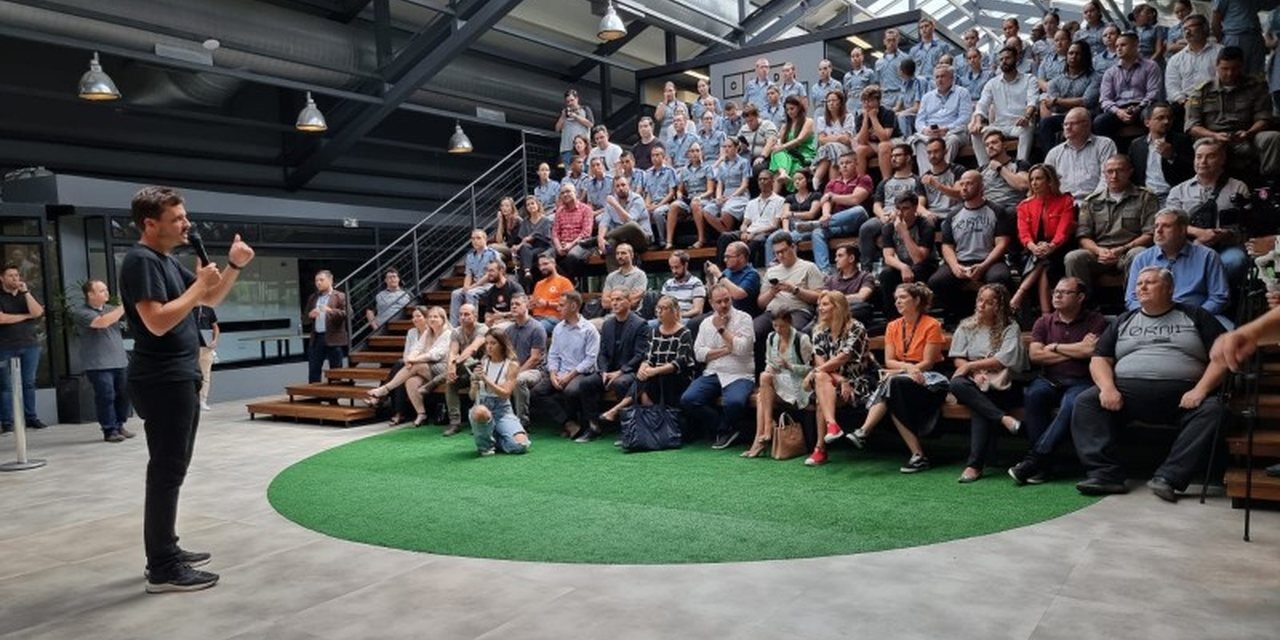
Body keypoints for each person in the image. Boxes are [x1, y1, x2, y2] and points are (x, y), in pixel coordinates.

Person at [120, 186, 255, 592]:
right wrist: (196, 287)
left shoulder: (162, 259)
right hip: (162, 380)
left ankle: (166, 548)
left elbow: (209, 297)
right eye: (177, 218)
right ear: (151, 223)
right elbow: (157, 321)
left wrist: (233, 265)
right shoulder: (141, 260)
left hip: (177, 376)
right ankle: (162, 567)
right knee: (166, 470)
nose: (186, 224)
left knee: (171, 469)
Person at [1072, 266, 1228, 501]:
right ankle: (1105, 475)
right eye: (1139, 283)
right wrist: (1107, 388)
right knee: (1086, 401)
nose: (1142, 287)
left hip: (1184, 396)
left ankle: (1169, 477)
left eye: (1150, 283)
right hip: (1127, 394)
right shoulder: (1124, 320)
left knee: (1215, 410)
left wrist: (1200, 390)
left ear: (1169, 288)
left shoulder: (1196, 315)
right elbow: (1100, 359)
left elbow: (1222, 357)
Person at [1011, 277, 1109, 485]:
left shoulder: (1096, 320)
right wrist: (1077, 350)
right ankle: (1042, 465)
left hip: (1082, 380)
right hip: (1049, 378)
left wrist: (1054, 347)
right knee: (1033, 394)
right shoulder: (1043, 321)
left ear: (1080, 297)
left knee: (1072, 404)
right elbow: (1036, 356)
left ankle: (1036, 460)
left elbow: (1091, 351)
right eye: (1056, 291)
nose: (1057, 295)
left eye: (1065, 292)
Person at [848, 283, 949, 473]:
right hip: (902, 375)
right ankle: (918, 455)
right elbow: (889, 360)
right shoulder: (893, 326)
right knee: (893, 389)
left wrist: (908, 370)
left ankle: (864, 430)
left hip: (928, 378)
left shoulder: (932, 325)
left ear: (917, 300)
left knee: (892, 384)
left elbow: (928, 362)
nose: (897, 302)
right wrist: (907, 368)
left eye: (902, 297)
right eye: (896, 298)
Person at [947, 284, 1027, 483]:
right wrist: (974, 373)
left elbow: (1003, 360)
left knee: (981, 402)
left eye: (989, 302)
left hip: (1004, 384)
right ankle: (1004, 419)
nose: (982, 305)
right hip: (976, 381)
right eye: (980, 300)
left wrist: (971, 367)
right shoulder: (967, 325)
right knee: (957, 384)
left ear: (999, 306)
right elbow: (958, 357)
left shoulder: (1010, 327)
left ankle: (974, 465)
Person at [928, 171, 1016, 315]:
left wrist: (983, 266)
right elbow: (947, 246)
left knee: (1000, 278)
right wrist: (955, 266)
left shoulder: (997, 210)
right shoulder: (953, 214)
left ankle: (997, 318)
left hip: (989, 261)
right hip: (961, 260)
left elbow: (1002, 243)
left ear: (981, 186)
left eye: (969, 183)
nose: (964, 187)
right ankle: (963, 314)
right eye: (962, 184)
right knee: (937, 281)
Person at [1165, 138, 1252, 284]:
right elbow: (1170, 223)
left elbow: (1245, 224)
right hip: (1188, 247)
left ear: (1222, 159)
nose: (1203, 161)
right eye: (1198, 156)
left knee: (1236, 260)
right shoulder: (1178, 191)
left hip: (1226, 246)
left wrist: (1222, 234)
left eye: (1210, 156)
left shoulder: (1238, 187)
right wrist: (1199, 233)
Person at [1185, 46, 1280, 179]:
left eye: (1235, 68)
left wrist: (1249, 132)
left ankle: (1269, 182)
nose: (1230, 73)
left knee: (1273, 138)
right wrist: (1215, 135)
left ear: (1241, 67)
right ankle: (1208, 183)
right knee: (1206, 147)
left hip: (1247, 134)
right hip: (1212, 136)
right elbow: (1192, 126)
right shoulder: (1201, 90)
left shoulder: (1256, 86)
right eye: (1225, 69)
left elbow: (1264, 118)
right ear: (1216, 66)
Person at [1066, 155, 1158, 291]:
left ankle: (1134, 303)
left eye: (1119, 171)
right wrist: (1098, 251)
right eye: (1109, 171)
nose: (1114, 176)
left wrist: (1123, 249)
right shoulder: (1091, 201)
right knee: (1073, 257)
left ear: (1129, 172)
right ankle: (1082, 305)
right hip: (1099, 253)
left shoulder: (1145, 198)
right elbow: (1083, 236)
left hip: (1128, 250)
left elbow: (1150, 234)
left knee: (1139, 253)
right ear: (1104, 174)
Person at [684, 283, 755, 449]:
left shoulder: (744, 318)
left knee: (735, 402)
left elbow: (743, 350)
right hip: (713, 372)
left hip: (740, 373)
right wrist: (726, 349)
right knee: (689, 399)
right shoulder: (705, 323)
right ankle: (725, 429)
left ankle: (724, 430)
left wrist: (722, 330)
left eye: (727, 300)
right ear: (711, 302)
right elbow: (699, 354)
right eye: (719, 302)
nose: (723, 305)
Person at [1125, 208, 1230, 319]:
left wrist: (1194, 317)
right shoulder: (1142, 259)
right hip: (1152, 318)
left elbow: (1219, 297)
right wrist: (1149, 315)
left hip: (1197, 316)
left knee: (1227, 331)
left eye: (1166, 226)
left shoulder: (1208, 256)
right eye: (1156, 226)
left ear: (1182, 230)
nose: (1159, 231)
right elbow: (1132, 299)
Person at [807, 292, 872, 466]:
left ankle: (820, 449)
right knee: (821, 378)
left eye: (825, 304)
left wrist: (815, 372)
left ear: (838, 307)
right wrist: (839, 379)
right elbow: (821, 363)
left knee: (821, 389)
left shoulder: (856, 328)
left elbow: (844, 357)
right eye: (819, 304)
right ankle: (832, 425)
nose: (820, 308)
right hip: (834, 381)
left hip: (856, 383)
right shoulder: (819, 331)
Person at [580, 290, 650, 442]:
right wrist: (604, 371)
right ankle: (593, 426)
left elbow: (640, 355)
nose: (615, 303)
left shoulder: (640, 324)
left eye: (619, 299)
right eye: (612, 300)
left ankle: (627, 429)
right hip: (609, 370)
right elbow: (602, 352)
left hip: (630, 370)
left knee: (621, 383)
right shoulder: (607, 324)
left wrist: (620, 371)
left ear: (628, 301)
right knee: (586, 383)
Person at [745, 310, 813, 458]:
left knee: (761, 392)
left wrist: (789, 366)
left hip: (799, 385)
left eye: (781, 326)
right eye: (775, 326)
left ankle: (760, 439)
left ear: (789, 323)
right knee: (764, 381)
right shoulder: (771, 338)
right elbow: (769, 362)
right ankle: (765, 429)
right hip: (778, 382)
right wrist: (771, 368)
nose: (778, 330)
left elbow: (810, 370)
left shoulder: (801, 339)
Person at [367, 306, 451, 426]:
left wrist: (413, 359)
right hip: (426, 368)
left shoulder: (447, 334)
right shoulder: (428, 332)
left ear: (443, 319)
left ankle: (384, 389)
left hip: (443, 369)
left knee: (416, 365)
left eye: (435, 317)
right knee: (411, 381)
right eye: (431, 317)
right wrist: (410, 358)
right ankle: (421, 414)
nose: (432, 319)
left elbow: (435, 355)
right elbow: (417, 348)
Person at [533, 291, 600, 439]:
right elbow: (553, 354)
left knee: (571, 390)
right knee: (537, 392)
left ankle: (581, 425)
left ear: (574, 306)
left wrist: (569, 376)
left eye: (562, 305)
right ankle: (568, 423)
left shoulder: (589, 330)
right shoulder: (558, 328)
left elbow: (590, 360)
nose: (558, 308)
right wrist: (552, 374)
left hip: (582, 373)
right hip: (560, 372)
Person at [617, 295, 695, 421]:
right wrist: (643, 367)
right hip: (656, 375)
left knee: (648, 381)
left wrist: (654, 371)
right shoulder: (654, 331)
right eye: (658, 308)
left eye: (663, 308)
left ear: (674, 311)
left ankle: (619, 409)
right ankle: (653, 422)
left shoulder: (685, 333)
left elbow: (679, 363)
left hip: (677, 376)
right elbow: (648, 356)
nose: (659, 312)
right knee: (643, 378)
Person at [74, 279, 133, 442]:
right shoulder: (81, 312)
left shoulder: (111, 309)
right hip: (98, 363)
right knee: (106, 395)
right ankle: (109, 429)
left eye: (106, 290)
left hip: (120, 360)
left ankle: (120, 424)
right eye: (101, 291)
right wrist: (125, 305)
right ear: (90, 294)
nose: (106, 293)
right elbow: (102, 322)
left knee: (123, 394)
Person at [1013, 164, 1077, 313]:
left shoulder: (1065, 201)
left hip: (1059, 248)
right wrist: (1033, 247)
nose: (1034, 183)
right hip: (1031, 251)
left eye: (1039, 178)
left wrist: (1051, 246)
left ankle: (1021, 293)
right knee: (1043, 262)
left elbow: (1063, 231)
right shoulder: (1024, 205)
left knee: (1046, 262)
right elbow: (1023, 234)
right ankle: (1046, 314)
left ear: (1050, 181)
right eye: (1032, 179)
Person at [859, 144, 925, 272]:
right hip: (885, 215)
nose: (894, 158)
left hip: (906, 214)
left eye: (898, 155)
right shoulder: (885, 182)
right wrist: (882, 215)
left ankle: (890, 265)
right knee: (866, 228)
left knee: (887, 231)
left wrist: (899, 214)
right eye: (892, 156)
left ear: (908, 158)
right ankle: (866, 270)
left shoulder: (916, 180)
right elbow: (876, 205)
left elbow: (920, 201)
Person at [970, 46, 1037, 166]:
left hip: (1019, 124)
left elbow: (1033, 101)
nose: (1004, 61)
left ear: (1016, 58)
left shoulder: (1029, 79)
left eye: (1007, 58)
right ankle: (984, 168)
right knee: (975, 133)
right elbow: (982, 104)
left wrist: (1026, 117)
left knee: (1028, 127)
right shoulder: (992, 83)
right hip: (999, 125)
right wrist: (978, 121)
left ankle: (1021, 165)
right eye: (1001, 59)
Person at [468, 329, 531, 456]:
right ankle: (486, 447)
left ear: (502, 345)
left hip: (503, 409)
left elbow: (506, 393)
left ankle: (496, 438)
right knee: (480, 411)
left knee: (520, 446)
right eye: (487, 343)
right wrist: (474, 385)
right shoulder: (482, 362)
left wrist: (486, 379)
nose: (489, 347)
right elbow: (471, 396)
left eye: (493, 343)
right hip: (482, 406)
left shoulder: (511, 364)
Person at [807, 152, 873, 273]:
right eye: (842, 163)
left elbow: (855, 199)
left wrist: (832, 196)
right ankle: (825, 272)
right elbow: (825, 202)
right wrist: (826, 214)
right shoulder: (833, 183)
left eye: (848, 163)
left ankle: (816, 224)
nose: (844, 166)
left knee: (858, 209)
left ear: (856, 164)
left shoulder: (864, 179)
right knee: (817, 233)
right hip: (837, 225)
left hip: (858, 222)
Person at [0, 263, 46, 432]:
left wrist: (26, 292)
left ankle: (31, 417)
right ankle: (7, 421)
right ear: (2, 278)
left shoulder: (25, 295)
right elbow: (2, 319)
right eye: (11, 275)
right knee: (5, 385)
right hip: (5, 346)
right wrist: (25, 316)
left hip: (29, 345)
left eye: (17, 275)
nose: (15, 278)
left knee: (28, 383)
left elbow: (37, 312)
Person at [1094, 31, 1163, 141]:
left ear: (1135, 46)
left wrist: (1138, 108)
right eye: (1117, 46)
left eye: (1123, 45)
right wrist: (1118, 112)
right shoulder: (1110, 72)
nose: (1119, 48)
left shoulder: (1151, 66)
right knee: (1099, 122)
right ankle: (1112, 153)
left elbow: (1153, 92)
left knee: (1153, 118)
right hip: (1119, 108)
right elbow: (1105, 99)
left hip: (1143, 107)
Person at [755, 231, 824, 339]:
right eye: (777, 253)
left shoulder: (809, 267)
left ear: (793, 247)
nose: (780, 256)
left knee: (791, 334)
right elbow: (761, 303)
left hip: (797, 311)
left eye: (783, 251)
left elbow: (819, 297)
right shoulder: (771, 271)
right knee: (754, 331)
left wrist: (795, 290)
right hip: (772, 312)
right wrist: (772, 292)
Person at [1038, 41, 1102, 155]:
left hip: (1086, 117)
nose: (1073, 56)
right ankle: (1051, 160)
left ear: (1085, 56)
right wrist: (1072, 103)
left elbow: (1086, 101)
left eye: (1078, 53)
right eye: (1071, 53)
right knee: (1045, 123)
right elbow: (1053, 108)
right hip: (1063, 117)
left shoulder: (1095, 78)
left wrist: (1058, 101)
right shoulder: (1056, 81)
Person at [879, 193, 938, 312]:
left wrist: (904, 232)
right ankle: (892, 318)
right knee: (886, 274)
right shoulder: (888, 227)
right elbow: (888, 257)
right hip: (903, 264)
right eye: (898, 209)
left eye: (905, 208)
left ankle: (918, 312)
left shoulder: (926, 225)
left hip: (926, 265)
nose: (900, 213)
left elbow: (919, 258)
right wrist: (903, 267)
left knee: (917, 270)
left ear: (915, 208)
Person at [910, 65, 973, 176]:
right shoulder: (927, 97)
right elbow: (919, 121)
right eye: (937, 77)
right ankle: (926, 178)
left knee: (952, 140)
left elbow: (965, 118)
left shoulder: (962, 93)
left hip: (953, 132)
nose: (939, 79)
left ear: (951, 78)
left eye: (943, 76)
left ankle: (941, 175)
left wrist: (946, 129)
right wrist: (925, 130)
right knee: (919, 142)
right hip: (931, 134)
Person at [1045, 107, 1118, 201]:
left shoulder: (1104, 144)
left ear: (1087, 125)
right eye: (1065, 124)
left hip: (1097, 202)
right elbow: (1048, 182)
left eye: (1073, 123)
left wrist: (1092, 201)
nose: (1067, 127)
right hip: (1063, 205)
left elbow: (1107, 178)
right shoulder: (1054, 153)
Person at [1129, 103, 1194, 206]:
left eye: (1169, 118)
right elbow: (1134, 175)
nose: (1166, 121)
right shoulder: (1137, 145)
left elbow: (1191, 171)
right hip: (1144, 197)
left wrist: (1172, 156)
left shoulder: (1181, 141)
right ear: (1147, 122)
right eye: (1160, 118)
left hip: (1173, 195)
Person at [716, 171, 784, 267]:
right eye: (760, 179)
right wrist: (743, 231)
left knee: (755, 241)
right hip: (749, 231)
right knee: (725, 236)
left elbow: (774, 225)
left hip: (766, 232)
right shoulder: (752, 202)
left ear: (772, 181)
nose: (762, 181)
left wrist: (754, 233)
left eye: (765, 179)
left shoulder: (779, 200)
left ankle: (745, 269)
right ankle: (722, 270)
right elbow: (745, 223)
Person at [441, 303, 488, 436]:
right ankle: (455, 423)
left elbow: (473, 348)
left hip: (482, 368)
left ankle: (479, 421)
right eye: (461, 314)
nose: (463, 317)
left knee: (472, 371)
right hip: (465, 368)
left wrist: (455, 363)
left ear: (475, 315)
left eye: (466, 314)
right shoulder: (456, 332)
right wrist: (451, 367)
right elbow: (452, 351)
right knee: (450, 382)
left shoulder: (483, 329)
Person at [504, 294, 546, 431]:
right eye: (512, 305)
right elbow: (507, 355)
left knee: (519, 380)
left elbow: (535, 359)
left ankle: (522, 422)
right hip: (514, 368)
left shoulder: (537, 328)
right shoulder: (509, 330)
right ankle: (492, 420)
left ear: (527, 306)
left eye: (517, 304)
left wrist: (514, 374)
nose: (514, 307)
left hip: (536, 370)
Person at [1165, 15, 1223, 113]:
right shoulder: (1175, 59)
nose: (1187, 32)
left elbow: (1225, 80)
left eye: (1191, 27)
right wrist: (1184, 101)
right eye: (1184, 29)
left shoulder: (1220, 52)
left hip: (1214, 101)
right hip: (1185, 103)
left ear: (1204, 28)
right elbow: (1172, 87)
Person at [661, 142, 713, 250]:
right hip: (688, 199)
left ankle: (701, 239)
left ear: (701, 152)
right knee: (674, 205)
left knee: (695, 203)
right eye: (692, 151)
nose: (695, 153)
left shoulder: (707, 168)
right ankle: (669, 241)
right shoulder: (684, 171)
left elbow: (710, 190)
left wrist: (700, 197)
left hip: (703, 199)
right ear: (688, 154)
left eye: (697, 151)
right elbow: (680, 190)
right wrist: (679, 195)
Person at [703, 137, 751, 242]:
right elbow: (720, 184)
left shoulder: (744, 162)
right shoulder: (722, 165)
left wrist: (730, 197)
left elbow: (744, 185)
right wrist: (719, 197)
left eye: (729, 146)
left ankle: (726, 237)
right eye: (725, 146)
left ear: (736, 147)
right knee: (707, 210)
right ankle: (727, 235)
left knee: (726, 210)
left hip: (739, 195)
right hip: (725, 194)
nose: (727, 149)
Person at [766, 96, 816, 192]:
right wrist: (776, 145)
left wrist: (781, 147)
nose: (789, 112)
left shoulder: (808, 121)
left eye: (792, 109)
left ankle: (780, 181)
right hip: (789, 154)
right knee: (776, 153)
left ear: (799, 108)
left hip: (804, 154)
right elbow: (779, 141)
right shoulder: (785, 126)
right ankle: (783, 174)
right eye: (787, 109)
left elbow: (799, 139)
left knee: (778, 155)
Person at [303, 269, 346, 384]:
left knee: (336, 371)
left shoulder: (340, 296)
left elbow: (348, 314)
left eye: (321, 280)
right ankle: (315, 398)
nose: (318, 283)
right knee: (314, 371)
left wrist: (330, 311)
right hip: (317, 338)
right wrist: (310, 315)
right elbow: (305, 319)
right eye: (316, 280)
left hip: (334, 339)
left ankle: (333, 399)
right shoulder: (313, 297)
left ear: (330, 280)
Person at [598, 175, 653, 263]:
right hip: (622, 239)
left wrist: (616, 205)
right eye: (617, 186)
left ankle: (597, 239)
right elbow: (604, 223)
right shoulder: (611, 202)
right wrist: (600, 239)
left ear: (629, 186)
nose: (620, 188)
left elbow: (629, 221)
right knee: (610, 243)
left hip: (641, 239)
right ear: (614, 189)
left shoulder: (637, 199)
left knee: (631, 225)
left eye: (623, 185)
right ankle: (613, 275)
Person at [852, 85, 902, 180]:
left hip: (893, 140)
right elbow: (862, 141)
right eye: (864, 101)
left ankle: (886, 181)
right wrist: (866, 119)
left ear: (878, 101)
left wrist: (873, 118)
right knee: (860, 150)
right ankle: (861, 183)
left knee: (883, 146)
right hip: (872, 144)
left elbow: (885, 137)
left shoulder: (888, 113)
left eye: (870, 100)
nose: (867, 104)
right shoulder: (860, 117)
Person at [451, 229, 500, 325]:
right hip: (476, 285)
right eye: (473, 239)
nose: (475, 241)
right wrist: (465, 286)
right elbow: (468, 274)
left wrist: (473, 286)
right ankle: (455, 326)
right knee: (455, 294)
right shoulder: (470, 256)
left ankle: (472, 323)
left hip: (489, 284)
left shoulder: (492, 254)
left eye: (478, 238)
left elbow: (490, 274)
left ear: (485, 239)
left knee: (470, 293)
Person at [702, 240, 761, 317]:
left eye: (728, 257)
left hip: (741, 315)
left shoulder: (752, 274)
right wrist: (710, 278)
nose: (725, 260)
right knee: (693, 323)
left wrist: (719, 275)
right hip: (722, 312)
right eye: (725, 256)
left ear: (741, 258)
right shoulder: (727, 271)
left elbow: (738, 295)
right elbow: (715, 293)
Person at [977, 129, 1031, 212]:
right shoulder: (982, 170)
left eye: (994, 142)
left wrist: (1000, 168)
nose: (990, 146)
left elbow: (1022, 185)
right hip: (987, 210)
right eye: (987, 145)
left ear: (1005, 144)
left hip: (1010, 208)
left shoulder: (1019, 164)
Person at [1211, 0, 1269, 77]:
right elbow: (1215, 20)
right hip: (1235, 36)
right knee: (1235, 72)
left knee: (1257, 74)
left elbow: (1270, 5)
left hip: (1255, 36)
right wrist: (1221, 40)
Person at [823, 244, 876, 325]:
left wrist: (835, 300)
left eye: (840, 256)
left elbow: (862, 297)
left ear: (851, 258)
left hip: (853, 314)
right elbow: (824, 298)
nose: (836, 259)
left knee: (862, 308)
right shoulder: (830, 279)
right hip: (831, 314)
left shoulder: (865, 277)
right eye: (836, 256)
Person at [813, 90, 856, 188]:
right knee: (831, 148)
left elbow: (846, 139)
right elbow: (821, 140)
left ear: (840, 102)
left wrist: (829, 138)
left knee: (830, 146)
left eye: (833, 100)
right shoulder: (821, 119)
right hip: (827, 151)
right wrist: (838, 137)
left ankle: (817, 178)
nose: (831, 103)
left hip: (845, 150)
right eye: (828, 101)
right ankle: (833, 185)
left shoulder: (848, 117)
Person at [551, 183, 595, 278]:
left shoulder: (586, 209)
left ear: (576, 193)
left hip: (582, 244)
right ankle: (563, 283)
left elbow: (586, 233)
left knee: (571, 256)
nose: (565, 194)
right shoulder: (559, 211)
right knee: (544, 257)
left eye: (568, 191)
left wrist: (570, 245)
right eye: (562, 193)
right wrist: (558, 247)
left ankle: (570, 283)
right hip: (562, 245)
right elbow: (555, 232)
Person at [919, 137, 966, 221]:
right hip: (934, 214)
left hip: (954, 212)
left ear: (945, 151)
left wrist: (937, 185)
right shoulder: (924, 177)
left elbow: (959, 195)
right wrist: (926, 213)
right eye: (929, 152)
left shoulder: (957, 170)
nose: (932, 156)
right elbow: (920, 204)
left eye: (936, 151)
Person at [660, 251, 706, 331]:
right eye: (672, 268)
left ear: (685, 265)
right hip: (668, 317)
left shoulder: (696, 283)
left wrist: (679, 315)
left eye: (677, 267)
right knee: (649, 325)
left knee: (678, 325)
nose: (674, 271)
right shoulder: (668, 284)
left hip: (686, 318)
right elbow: (661, 305)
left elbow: (698, 310)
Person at [513, 195, 553, 286]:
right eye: (528, 205)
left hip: (542, 246)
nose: (531, 206)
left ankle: (525, 277)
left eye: (532, 203)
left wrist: (533, 237)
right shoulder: (525, 221)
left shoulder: (545, 220)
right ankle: (527, 273)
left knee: (525, 256)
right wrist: (520, 244)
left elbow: (547, 238)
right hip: (529, 247)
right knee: (524, 249)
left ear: (537, 205)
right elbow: (523, 238)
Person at [530, 252, 573, 334]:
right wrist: (530, 305)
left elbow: (569, 305)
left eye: (545, 264)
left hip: (554, 318)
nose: (542, 267)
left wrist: (547, 303)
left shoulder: (564, 282)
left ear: (553, 263)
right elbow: (535, 304)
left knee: (534, 329)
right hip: (535, 317)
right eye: (540, 265)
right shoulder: (539, 284)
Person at [600, 243, 647, 314]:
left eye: (623, 253)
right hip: (611, 316)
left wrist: (612, 300)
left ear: (632, 255)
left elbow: (634, 301)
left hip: (633, 314)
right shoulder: (611, 276)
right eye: (617, 253)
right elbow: (604, 303)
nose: (620, 256)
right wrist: (625, 301)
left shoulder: (640, 275)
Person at [477, 260, 523, 328]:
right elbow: (488, 313)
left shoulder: (514, 288)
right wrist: (489, 319)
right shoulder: (491, 291)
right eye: (487, 271)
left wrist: (503, 316)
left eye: (491, 271)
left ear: (501, 270)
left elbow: (521, 310)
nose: (488, 274)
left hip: (514, 323)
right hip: (496, 323)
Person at [555, 89, 594, 168]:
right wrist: (563, 117)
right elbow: (557, 129)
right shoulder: (564, 113)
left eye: (572, 100)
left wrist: (576, 116)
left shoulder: (585, 109)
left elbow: (590, 124)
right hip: (567, 149)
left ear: (577, 99)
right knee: (570, 173)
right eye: (568, 101)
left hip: (582, 149)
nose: (570, 103)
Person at [738, 104, 780, 171]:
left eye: (751, 120)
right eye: (747, 121)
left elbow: (771, 142)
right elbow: (737, 144)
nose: (749, 123)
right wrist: (741, 147)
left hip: (765, 157)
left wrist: (762, 156)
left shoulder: (767, 125)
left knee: (757, 168)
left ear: (757, 116)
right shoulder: (743, 129)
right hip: (748, 158)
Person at [195, 305, 219, 411]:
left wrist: (215, 340)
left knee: (205, 375)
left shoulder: (208, 308)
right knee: (191, 375)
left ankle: (202, 401)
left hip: (206, 347)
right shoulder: (189, 307)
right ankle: (192, 400)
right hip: (191, 346)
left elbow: (215, 327)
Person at [490, 196, 523, 263]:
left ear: (512, 208)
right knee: (497, 256)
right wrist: (500, 222)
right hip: (508, 250)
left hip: (517, 249)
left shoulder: (517, 220)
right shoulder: (504, 221)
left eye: (507, 206)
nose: (504, 208)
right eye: (502, 206)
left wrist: (503, 244)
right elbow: (499, 240)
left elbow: (515, 240)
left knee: (491, 247)